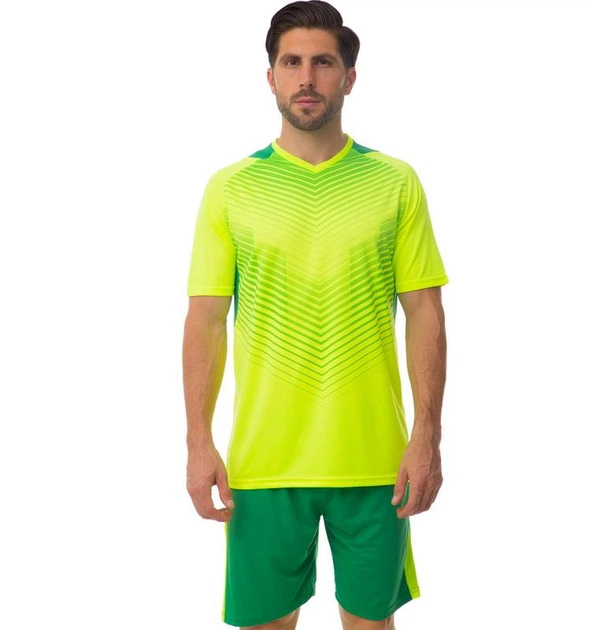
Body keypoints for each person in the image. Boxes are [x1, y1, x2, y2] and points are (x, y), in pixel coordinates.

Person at [182, 2, 448, 628]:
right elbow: (206, 322)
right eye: (291, 62)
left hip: (377, 463)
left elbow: (426, 313)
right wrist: (198, 441)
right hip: (263, 463)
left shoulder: (394, 182)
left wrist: (427, 436)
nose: (306, 78)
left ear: (349, 77)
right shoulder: (231, 188)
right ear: (270, 76)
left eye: (323, 63)